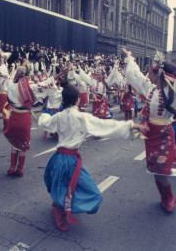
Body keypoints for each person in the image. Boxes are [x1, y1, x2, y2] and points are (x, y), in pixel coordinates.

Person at [40, 84, 145, 231]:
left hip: (59, 158)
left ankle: (59, 204)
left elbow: (45, 122)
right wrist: (131, 126)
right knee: (91, 193)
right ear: (77, 99)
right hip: (69, 160)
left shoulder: (58, 116)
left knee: (63, 183)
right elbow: (105, 126)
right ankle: (58, 210)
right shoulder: (82, 117)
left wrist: (44, 114)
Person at [123, 30, 176, 212]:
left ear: (160, 74)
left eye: (150, 72)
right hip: (151, 135)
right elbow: (135, 76)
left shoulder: (171, 93)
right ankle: (164, 197)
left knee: (163, 173)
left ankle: (169, 197)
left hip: (164, 134)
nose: (147, 75)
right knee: (156, 172)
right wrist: (129, 58)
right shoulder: (150, 89)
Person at [0, 53, 69, 177]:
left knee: (14, 145)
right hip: (24, 119)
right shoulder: (31, 87)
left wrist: (1, 61)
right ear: (27, 76)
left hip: (13, 117)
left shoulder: (10, 84)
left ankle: (12, 167)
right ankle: (19, 169)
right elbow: (46, 83)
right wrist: (60, 74)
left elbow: (2, 75)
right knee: (23, 147)